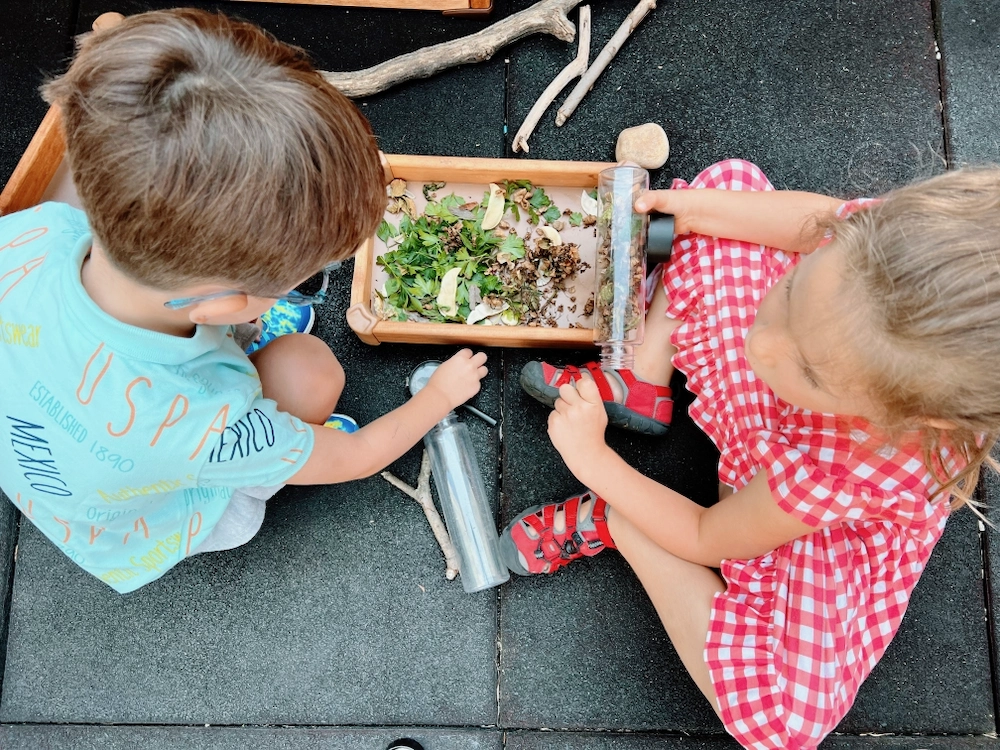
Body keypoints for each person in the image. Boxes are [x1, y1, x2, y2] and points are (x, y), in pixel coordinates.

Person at [502, 159, 1000, 748]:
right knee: (726, 190)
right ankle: (640, 378)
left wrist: (596, 463)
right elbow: (811, 225)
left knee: (782, 725)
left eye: (811, 370)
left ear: (909, 416)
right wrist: (696, 214)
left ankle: (621, 522)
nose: (758, 344)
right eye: (791, 292)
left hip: (811, 511)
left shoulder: (857, 468)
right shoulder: (891, 248)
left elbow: (707, 535)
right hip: (793, 429)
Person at [0, 9, 487, 594]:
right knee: (309, 372)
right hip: (159, 517)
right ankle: (249, 474)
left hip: (59, 445)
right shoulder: (204, 426)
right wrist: (438, 398)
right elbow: (354, 455)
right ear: (222, 303)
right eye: (294, 280)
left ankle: (238, 348)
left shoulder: (34, 231)